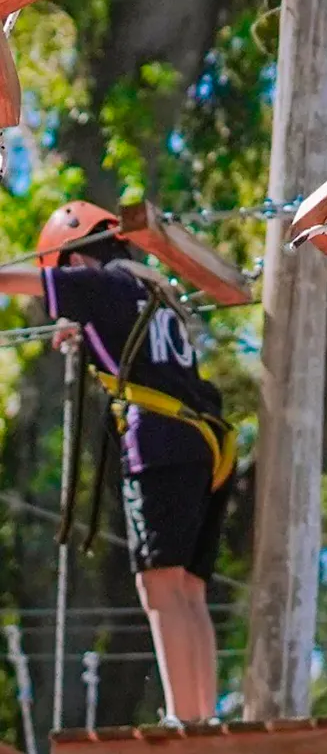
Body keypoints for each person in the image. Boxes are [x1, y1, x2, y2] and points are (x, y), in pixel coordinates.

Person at [0, 200, 235, 724]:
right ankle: (200, 717)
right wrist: (86, 337)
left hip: (160, 444)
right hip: (206, 447)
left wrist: (66, 302)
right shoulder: (155, 295)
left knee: (159, 584)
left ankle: (183, 718)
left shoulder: (97, 284)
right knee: (189, 588)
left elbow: (15, 283)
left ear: (73, 258)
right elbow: (137, 352)